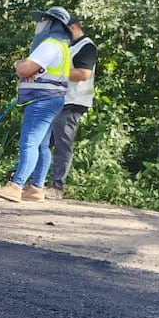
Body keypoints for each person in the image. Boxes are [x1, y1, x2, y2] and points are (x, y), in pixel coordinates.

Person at [0, 7, 72, 203]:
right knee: (43, 145)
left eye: (43, 19)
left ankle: (16, 186)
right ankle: (36, 188)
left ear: (52, 23)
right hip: (54, 99)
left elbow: (25, 69)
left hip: (41, 100)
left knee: (29, 142)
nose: (39, 23)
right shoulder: (62, 46)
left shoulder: (50, 45)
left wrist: (19, 64)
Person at [47, 14, 98, 199]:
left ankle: (57, 186)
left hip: (74, 101)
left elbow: (83, 73)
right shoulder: (68, 46)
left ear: (73, 27)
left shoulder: (87, 47)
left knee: (62, 143)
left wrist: (53, 73)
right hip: (58, 99)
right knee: (44, 141)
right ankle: (32, 183)